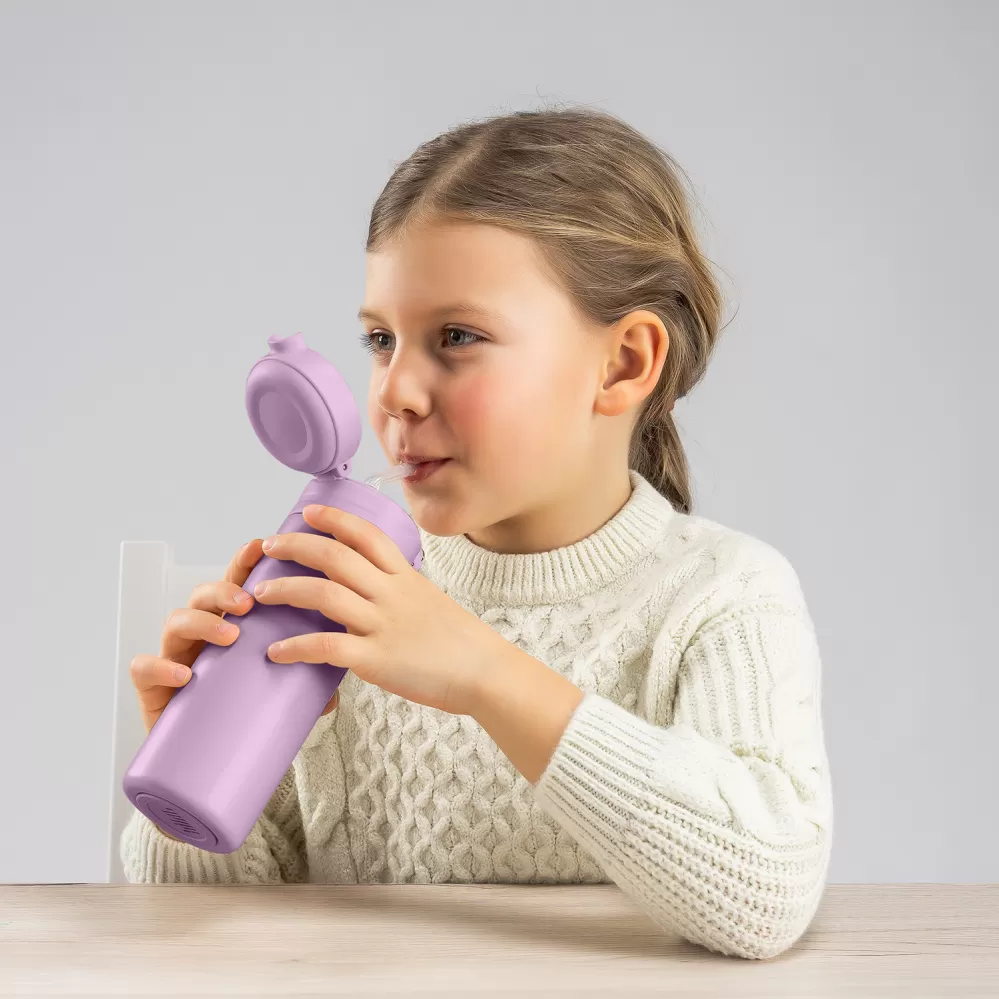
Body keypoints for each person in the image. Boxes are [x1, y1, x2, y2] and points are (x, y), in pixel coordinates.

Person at [121, 104, 833, 960]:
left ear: (623, 363)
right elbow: (205, 931)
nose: (394, 390)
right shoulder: (342, 588)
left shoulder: (723, 595)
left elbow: (762, 893)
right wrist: (192, 772)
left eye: (456, 336)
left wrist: (482, 670)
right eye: (380, 339)